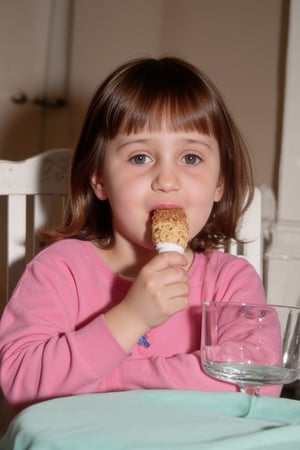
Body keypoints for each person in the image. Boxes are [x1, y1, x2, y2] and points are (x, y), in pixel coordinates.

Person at [0, 56, 281, 413]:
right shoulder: (59, 270)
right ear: (100, 179)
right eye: (140, 158)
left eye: (191, 158)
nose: (167, 179)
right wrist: (131, 317)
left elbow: (256, 379)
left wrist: (112, 381)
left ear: (220, 183)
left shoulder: (230, 280)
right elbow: (21, 383)